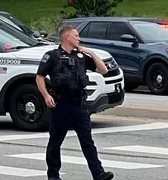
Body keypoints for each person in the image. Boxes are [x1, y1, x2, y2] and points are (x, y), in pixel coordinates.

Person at [36, 24, 114, 180]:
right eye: (76, 36)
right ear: (67, 37)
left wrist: (90, 52)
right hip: (61, 105)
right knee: (55, 142)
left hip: (80, 105)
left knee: (87, 142)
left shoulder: (81, 56)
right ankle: (53, 175)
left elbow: (104, 70)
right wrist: (45, 95)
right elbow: (40, 77)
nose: (79, 38)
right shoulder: (52, 56)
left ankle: (98, 173)